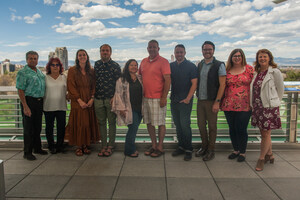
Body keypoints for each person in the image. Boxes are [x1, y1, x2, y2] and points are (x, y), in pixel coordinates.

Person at [250, 49, 284, 171]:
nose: (262, 59)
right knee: (264, 133)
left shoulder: (275, 72)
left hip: (269, 107)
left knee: (265, 133)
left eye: (265, 56)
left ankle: (261, 159)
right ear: (257, 59)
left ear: (269, 58)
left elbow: (280, 90)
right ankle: (270, 154)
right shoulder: (256, 72)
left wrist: (274, 103)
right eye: (260, 57)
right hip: (258, 107)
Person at [220, 49, 254, 162]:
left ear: (242, 57)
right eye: (235, 56)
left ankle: (243, 152)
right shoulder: (226, 70)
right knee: (232, 128)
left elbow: (255, 84)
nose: (237, 58)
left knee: (241, 129)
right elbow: (222, 85)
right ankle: (236, 150)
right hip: (229, 104)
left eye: (239, 56)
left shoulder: (249, 69)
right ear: (231, 57)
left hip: (245, 105)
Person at [138, 39, 171, 157]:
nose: (152, 49)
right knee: (149, 123)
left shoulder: (164, 62)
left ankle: (160, 146)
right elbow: (139, 78)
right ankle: (153, 145)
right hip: (145, 98)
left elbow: (168, 80)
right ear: (147, 48)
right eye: (150, 47)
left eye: (154, 47)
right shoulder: (143, 61)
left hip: (158, 98)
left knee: (160, 123)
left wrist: (164, 97)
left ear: (158, 49)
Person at [195, 41, 226, 161]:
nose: (207, 51)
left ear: (213, 50)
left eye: (209, 49)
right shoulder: (201, 64)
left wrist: (217, 102)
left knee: (212, 126)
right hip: (200, 100)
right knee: (201, 125)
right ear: (202, 51)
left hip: (212, 101)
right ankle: (204, 146)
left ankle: (211, 150)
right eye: (205, 49)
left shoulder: (219, 65)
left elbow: (222, 85)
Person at [65, 49, 100, 156]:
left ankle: (85, 144)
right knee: (79, 122)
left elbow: (95, 85)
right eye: (80, 55)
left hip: (89, 100)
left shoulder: (92, 71)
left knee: (87, 122)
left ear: (87, 56)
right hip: (77, 101)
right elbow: (71, 86)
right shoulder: (72, 70)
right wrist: (79, 100)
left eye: (84, 55)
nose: (82, 56)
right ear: (77, 57)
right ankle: (79, 146)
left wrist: (92, 99)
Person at [16, 51, 48, 160]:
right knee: (28, 128)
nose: (33, 60)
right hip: (28, 101)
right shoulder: (23, 72)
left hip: (39, 102)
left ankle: (37, 148)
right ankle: (27, 152)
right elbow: (20, 89)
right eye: (30, 58)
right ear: (26, 59)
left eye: (35, 58)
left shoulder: (38, 71)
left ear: (38, 59)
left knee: (37, 127)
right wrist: (25, 106)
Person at [170, 44, 197, 161]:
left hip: (185, 101)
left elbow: (194, 84)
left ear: (185, 53)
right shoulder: (170, 66)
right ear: (174, 53)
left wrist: (188, 99)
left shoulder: (191, 66)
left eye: (181, 52)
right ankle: (181, 146)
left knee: (185, 125)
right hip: (174, 100)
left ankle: (188, 148)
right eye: (177, 52)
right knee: (178, 125)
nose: (179, 54)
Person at [111, 59, 143, 157]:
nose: (134, 67)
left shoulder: (140, 78)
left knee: (134, 128)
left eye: (135, 65)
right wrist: (121, 109)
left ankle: (130, 148)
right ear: (127, 67)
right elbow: (118, 95)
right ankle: (129, 150)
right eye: (131, 65)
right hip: (129, 109)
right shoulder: (122, 80)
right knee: (132, 129)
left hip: (139, 108)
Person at [94, 44, 121, 157]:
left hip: (111, 99)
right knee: (101, 123)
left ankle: (111, 146)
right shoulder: (96, 64)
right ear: (100, 52)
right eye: (103, 50)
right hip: (98, 99)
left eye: (107, 50)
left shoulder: (115, 66)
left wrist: (115, 97)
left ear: (110, 52)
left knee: (112, 123)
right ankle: (103, 145)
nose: (105, 52)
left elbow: (119, 84)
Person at [43, 57, 67, 154]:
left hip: (61, 106)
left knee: (61, 127)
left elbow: (68, 90)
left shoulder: (64, 77)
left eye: (57, 65)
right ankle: (51, 146)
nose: (55, 67)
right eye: (53, 65)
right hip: (48, 106)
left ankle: (60, 146)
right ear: (49, 67)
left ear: (60, 66)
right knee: (49, 127)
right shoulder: (45, 77)